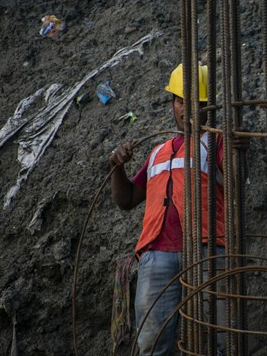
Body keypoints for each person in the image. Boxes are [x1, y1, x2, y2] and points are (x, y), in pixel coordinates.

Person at [110, 63, 245, 356]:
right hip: (157, 254)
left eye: (197, 103)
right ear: (172, 103)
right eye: (182, 101)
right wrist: (117, 167)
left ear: (208, 107)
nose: (188, 109)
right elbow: (127, 199)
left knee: (222, 341)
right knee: (152, 345)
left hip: (208, 249)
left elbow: (236, 180)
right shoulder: (158, 151)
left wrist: (236, 149)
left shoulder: (216, 142)